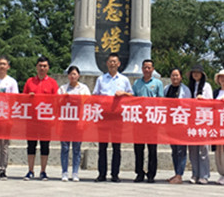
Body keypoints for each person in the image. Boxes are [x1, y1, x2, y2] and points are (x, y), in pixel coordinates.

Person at [92, 52, 133, 182]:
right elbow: (94, 96)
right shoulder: (101, 79)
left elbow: (132, 96)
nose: (112, 64)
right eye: (110, 61)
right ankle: (102, 174)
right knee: (102, 147)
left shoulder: (124, 80)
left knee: (116, 147)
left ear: (119, 64)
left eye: (115, 62)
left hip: (117, 117)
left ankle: (115, 174)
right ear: (107, 63)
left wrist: (124, 93)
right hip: (104, 117)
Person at [22, 55, 59, 181]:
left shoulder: (52, 83)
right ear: (36, 67)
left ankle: (43, 171)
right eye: (40, 66)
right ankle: (30, 170)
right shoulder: (30, 81)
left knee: (45, 145)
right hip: (32, 119)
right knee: (31, 145)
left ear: (48, 68)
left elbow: (56, 101)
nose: (42, 68)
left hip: (46, 120)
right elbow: (22, 99)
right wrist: (29, 97)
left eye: (44, 66)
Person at [131, 58, 164, 183]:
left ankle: (151, 174)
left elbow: (161, 100)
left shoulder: (158, 83)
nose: (147, 69)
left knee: (152, 149)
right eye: (145, 67)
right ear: (142, 69)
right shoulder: (136, 83)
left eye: (149, 67)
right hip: (139, 120)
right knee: (138, 148)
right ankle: (139, 173)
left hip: (152, 119)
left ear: (153, 69)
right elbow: (132, 99)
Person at [58, 65, 91, 182]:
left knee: (77, 148)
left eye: (75, 74)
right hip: (65, 122)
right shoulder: (62, 89)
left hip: (78, 121)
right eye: (71, 74)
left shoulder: (84, 89)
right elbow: (56, 102)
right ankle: (64, 172)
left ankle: (75, 172)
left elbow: (88, 103)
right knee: (65, 148)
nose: (73, 76)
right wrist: (64, 98)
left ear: (78, 76)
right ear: (68, 76)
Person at [164, 68, 191, 184]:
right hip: (170, 124)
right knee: (174, 150)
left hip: (181, 123)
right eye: (173, 75)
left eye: (177, 75)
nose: (175, 77)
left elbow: (189, 106)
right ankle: (176, 173)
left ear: (181, 77)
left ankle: (179, 175)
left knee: (181, 150)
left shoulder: (185, 90)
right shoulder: (167, 88)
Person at [187, 63, 213, 184]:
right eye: (194, 72)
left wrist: (202, 100)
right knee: (192, 149)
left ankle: (204, 174)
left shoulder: (207, 86)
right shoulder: (189, 87)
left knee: (203, 149)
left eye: (198, 72)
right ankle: (195, 173)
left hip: (203, 119)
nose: (196, 74)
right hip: (191, 120)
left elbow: (211, 102)